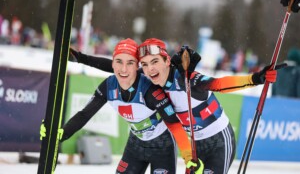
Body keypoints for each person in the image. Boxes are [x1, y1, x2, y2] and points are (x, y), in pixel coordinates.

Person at [68, 38, 281, 173]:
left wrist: (255, 79)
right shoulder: (151, 78)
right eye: (145, 65)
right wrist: (80, 58)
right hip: (194, 144)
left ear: (167, 61)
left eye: (155, 62)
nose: (150, 69)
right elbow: (117, 67)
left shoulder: (186, 79)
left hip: (218, 141)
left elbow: (218, 84)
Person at [41, 38, 203, 174]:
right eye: (118, 62)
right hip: (136, 144)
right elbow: (84, 115)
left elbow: (174, 123)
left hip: (163, 146)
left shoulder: (150, 90)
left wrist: (188, 155)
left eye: (130, 63)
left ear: (137, 66)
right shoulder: (108, 87)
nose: (124, 69)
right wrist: (58, 136)